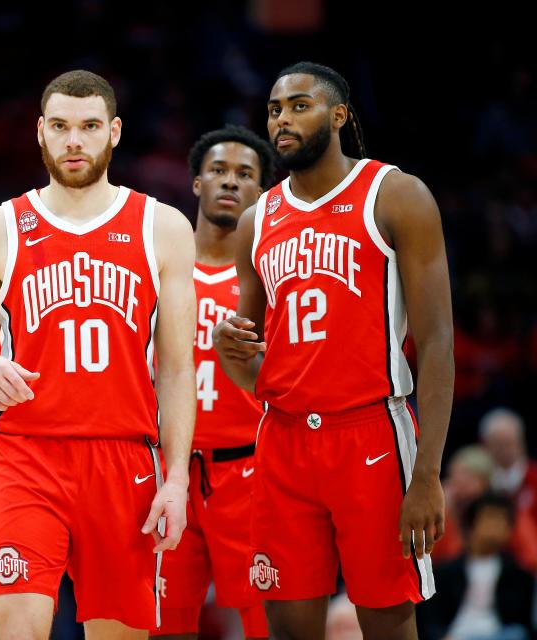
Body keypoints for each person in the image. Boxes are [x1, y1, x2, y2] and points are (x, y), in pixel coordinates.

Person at [0, 69, 197, 639]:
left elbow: (179, 370)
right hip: (25, 456)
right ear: (40, 131)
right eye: (60, 126)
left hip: (125, 460)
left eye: (88, 127)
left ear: (113, 132)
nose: (74, 141)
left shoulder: (162, 227)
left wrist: (178, 479)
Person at [214, 61, 454, 638]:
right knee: (289, 626)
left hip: (371, 436)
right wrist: (231, 352)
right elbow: (252, 368)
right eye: (275, 110)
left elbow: (439, 340)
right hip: (284, 441)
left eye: (301, 105)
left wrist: (427, 474)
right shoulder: (256, 220)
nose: (283, 120)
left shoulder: (396, 195)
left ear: (339, 115)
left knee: (387, 622)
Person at [153, 125, 275, 640]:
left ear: (262, 192)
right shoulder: (157, 272)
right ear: (197, 183)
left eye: (245, 174)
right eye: (218, 171)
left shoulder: (272, 278)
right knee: (163, 623)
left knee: (264, 620)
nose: (230, 182)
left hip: (246, 470)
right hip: (165, 471)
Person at [421, 493, 535, 640]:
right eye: (490, 518)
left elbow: (523, 623)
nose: (496, 526)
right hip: (456, 634)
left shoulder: (519, 576)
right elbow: (431, 620)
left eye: (502, 521)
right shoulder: (444, 572)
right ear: (471, 524)